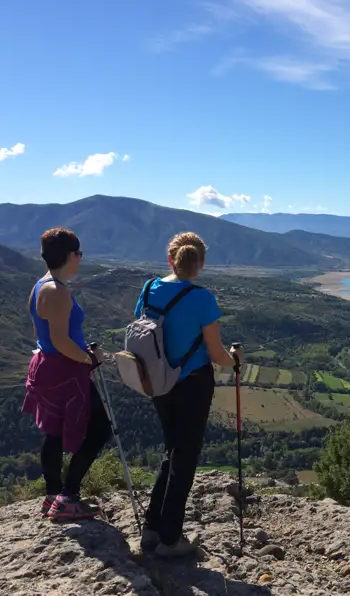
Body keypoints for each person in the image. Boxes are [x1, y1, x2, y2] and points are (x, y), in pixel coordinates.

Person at [136, 231, 241, 558]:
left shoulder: (149, 289)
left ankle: (152, 528)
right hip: (192, 383)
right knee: (185, 458)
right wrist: (236, 359)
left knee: (172, 451)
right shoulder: (202, 298)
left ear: (171, 258)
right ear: (201, 263)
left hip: (158, 382)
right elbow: (215, 352)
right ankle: (170, 540)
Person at [22, 228, 112, 521]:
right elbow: (61, 341)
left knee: (54, 431)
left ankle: (52, 496)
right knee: (100, 429)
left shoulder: (40, 286)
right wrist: (89, 358)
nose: (81, 259)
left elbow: (43, 333)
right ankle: (68, 495)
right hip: (66, 369)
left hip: (47, 365)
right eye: (80, 254)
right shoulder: (57, 291)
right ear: (71, 255)